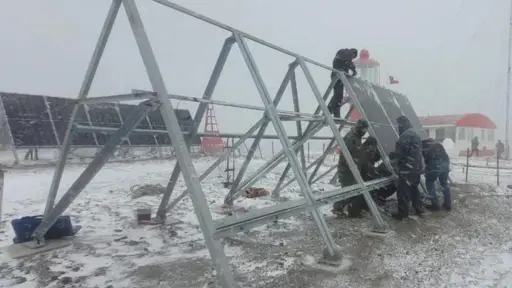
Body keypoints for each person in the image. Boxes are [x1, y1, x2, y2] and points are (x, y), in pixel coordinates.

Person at [332, 119, 369, 216]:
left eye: (366, 130)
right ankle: (337, 207)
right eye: (364, 130)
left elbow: (356, 152)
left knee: (352, 190)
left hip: (352, 169)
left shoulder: (356, 137)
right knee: (348, 190)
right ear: (359, 128)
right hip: (347, 170)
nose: (364, 132)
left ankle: (348, 209)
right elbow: (345, 155)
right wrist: (353, 163)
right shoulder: (351, 138)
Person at [392, 116, 424, 220]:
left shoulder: (405, 135)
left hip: (407, 168)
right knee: (414, 189)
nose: (398, 127)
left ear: (402, 124)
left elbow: (401, 152)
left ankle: (402, 214)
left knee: (403, 190)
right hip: (416, 166)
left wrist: (394, 157)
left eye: (399, 125)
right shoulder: (415, 133)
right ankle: (419, 209)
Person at [422, 138, 452, 211]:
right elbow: (446, 157)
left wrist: (427, 171)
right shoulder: (439, 146)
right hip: (445, 165)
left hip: (435, 165)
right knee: (444, 183)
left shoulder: (427, 149)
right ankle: (448, 204)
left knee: (430, 183)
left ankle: (435, 205)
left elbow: (427, 161)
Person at [328, 48, 358, 118]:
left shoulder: (343, 55)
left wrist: (349, 76)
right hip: (338, 77)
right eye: (353, 57)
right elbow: (348, 63)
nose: (352, 58)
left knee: (338, 96)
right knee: (338, 96)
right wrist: (354, 70)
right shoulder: (348, 54)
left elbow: (344, 65)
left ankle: (335, 114)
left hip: (337, 76)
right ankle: (329, 111)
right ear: (353, 54)